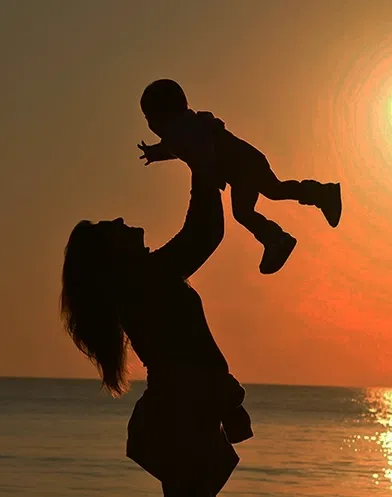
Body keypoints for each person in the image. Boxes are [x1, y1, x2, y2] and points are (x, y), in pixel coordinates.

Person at [60, 161, 251, 496]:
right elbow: (203, 233)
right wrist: (200, 163)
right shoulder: (145, 280)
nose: (121, 220)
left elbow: (202, 233)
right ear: (111, 254)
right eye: (112, 228)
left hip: (184, 406)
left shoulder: (142, 280)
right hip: (183, 409)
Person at [136, 78, 342, 275]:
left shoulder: (187, 129)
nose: (150, 124)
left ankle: (279, 236)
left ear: (163, 115)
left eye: (149, 118)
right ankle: (315, 199)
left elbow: (197, 145)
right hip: (242, 170)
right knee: (272, 192)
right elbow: (175, 147)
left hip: (245, 165)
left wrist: (207, 171)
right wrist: (155, 153)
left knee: (254, 204)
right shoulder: (182, 132)